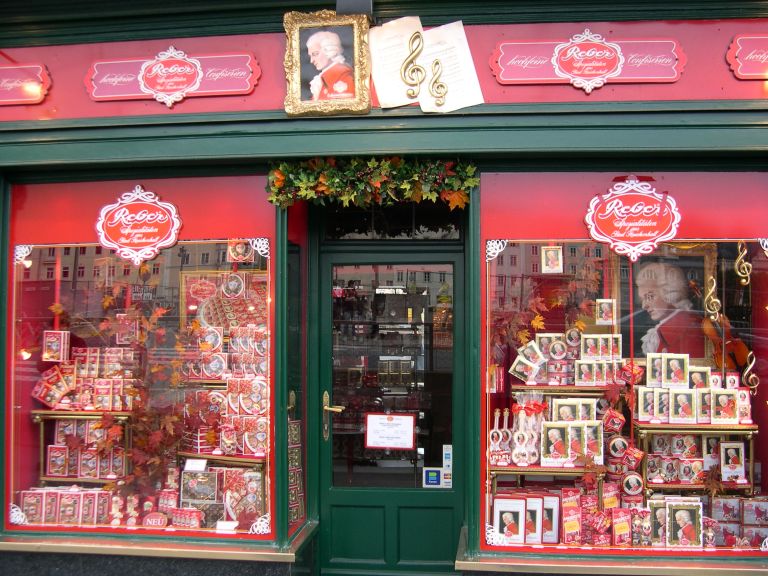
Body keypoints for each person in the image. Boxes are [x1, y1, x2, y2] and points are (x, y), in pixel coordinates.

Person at [635, 262, 705, 356]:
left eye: (650, 297)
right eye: (642, 299)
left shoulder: (690, 329)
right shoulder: (665, 330)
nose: (644, 306)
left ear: (670, 292)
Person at [305, 30, 354, 101]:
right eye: (310, 56)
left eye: (315, 54)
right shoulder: (322, 80)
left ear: (330, 50)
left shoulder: (344, 76)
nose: (311, 61)